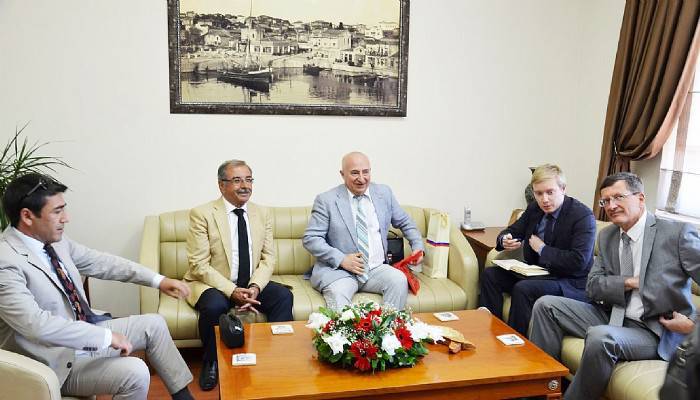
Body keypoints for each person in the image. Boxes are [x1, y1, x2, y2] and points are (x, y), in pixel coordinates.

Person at [0, 173, 194, 400]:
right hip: (52, 363)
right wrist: (105, 337)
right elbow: (37, 325)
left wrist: (158, 281)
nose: (66, 218)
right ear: (27, 216)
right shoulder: (6, 261)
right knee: (136, 372)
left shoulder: (54, 241)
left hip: (81, 336)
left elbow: (101, 262)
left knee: (155, 325)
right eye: (57, 211)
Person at [530, 172, 700, 400]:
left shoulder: (675, 234)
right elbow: (592, 287)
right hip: (612, 314)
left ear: (640, 198)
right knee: (546, 306)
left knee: (602, 337)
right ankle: (542, 392)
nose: (611, 206)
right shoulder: (607, 236)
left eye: (618, 197)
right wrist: (628, 282)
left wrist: (692, 326)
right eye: (605, 201)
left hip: (654, 330)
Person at [184, 160, 293, 391]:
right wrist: (232, 291)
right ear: (221, 185)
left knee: (283, 296)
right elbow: (198, 265)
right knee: (214, 306)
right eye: (237, 180)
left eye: (248, 179)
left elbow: (268, 258)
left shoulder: (262, 213)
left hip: (250, 281)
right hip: (214, 283)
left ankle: (277, 358)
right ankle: (211, 362)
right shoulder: (202, 214)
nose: (245, 186)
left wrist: (255, 287)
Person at [478, 164, 596, 335]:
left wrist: (542, 249)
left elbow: (578, 261)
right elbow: (513, 230)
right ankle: (489, 332)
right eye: (539, 193)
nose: (544, 199)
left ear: (563, 189)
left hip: (568, 281)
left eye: (550, 192)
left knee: (524, 289)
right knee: (490, 275)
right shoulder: (535, 208)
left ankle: (514, 342)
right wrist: (505, 239)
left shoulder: (582, 216)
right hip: (537, 273)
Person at [303, 151, 423, 311]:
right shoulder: (326, 200)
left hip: (376, 269)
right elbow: (311, 239)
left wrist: (417, 246)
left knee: (399, 280)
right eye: (354, 173)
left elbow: (405, 222)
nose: (361, 178)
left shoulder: (384, 193)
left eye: (365, 172)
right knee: (338, 294)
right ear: (342, 174)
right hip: (339, 272)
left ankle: (388, 326)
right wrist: (342, 259)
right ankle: (344, 329)